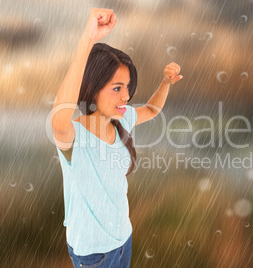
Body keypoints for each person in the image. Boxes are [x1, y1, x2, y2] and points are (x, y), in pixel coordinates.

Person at [49, 8, 183, 268]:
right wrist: (88, 39)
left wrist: (166, 83)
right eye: (117, 88)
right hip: (94, 253)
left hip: (123, 240)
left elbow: (152, 110)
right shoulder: (74, 137)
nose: (126, 97)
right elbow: (58, 118)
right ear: (92, 86)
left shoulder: (120, 119)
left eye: (128, 87)